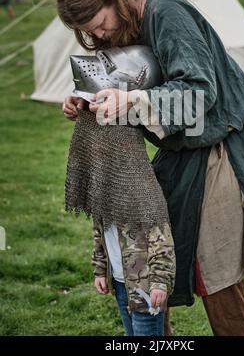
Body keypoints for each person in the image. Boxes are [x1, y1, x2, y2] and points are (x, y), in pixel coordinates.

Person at [58, 0, 244, 336]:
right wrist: (86, 100)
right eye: (89, 32)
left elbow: (199, 91)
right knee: (155, 260)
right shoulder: (126, 23)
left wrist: (132, 100)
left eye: (100, 24)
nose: (99, 35)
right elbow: (128, 79)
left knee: (214, 266)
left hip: (222, 146)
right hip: (181, 150)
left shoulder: (166, 11)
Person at [64, 47, 176, 337]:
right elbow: (100, 233)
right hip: (120, 282)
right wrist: (100, 270)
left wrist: (161, 283)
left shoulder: (140, 191)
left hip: (146, 286)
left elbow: (161, 242)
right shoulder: (107, 190)